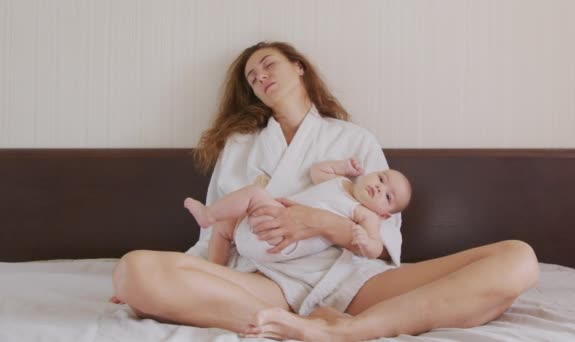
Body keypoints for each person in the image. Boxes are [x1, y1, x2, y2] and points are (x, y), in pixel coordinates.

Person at [111, 41, 539, 341]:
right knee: (134, 272)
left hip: (353, 281)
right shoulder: (240, 146)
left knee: (516, 259)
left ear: (298, 66)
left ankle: (346, 330)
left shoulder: (355, 140)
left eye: (267, 64)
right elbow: (213, 233)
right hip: (265, 282)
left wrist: (320, 222)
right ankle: (300, 319)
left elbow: (384, 233)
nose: (260, 76)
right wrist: (170, 281)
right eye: (252, 76)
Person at [184, 158, 412, 264]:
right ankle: (214, 270)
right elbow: (317, 171)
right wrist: (343, 167)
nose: (380, 187)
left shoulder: (365, 214)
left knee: (254, 193)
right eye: (381, 178)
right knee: (226, 226)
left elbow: (376, 247)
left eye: (388, 196)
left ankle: (208, 214)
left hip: (285, 240)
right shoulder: (342, 183)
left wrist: (365, 241)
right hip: (265, 226)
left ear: (385, 215)